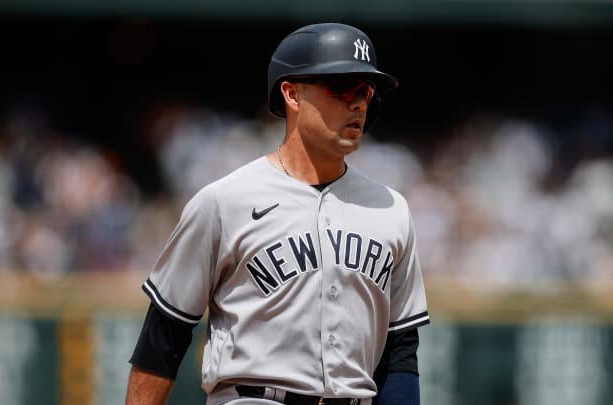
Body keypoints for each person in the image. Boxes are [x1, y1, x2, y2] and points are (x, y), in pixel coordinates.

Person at [125, 22, 430, 405]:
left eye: (365, 91)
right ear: (292, 93)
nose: (358, 103)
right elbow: (164, 335)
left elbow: (400, 351)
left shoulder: (391, 210)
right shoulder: (224, 200)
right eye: (341, 87)